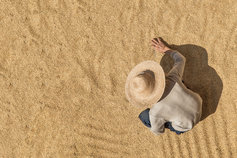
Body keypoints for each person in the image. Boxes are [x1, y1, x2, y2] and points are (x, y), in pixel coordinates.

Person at [125, 37, 203, 135]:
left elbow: (158, 131)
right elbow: (181, 59)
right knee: (180, 82)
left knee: (144, 116)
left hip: (185, 125)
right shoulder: (172, 78)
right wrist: (165, 49)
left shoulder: (155, 113)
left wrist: (160, 119)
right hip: (198, 103)